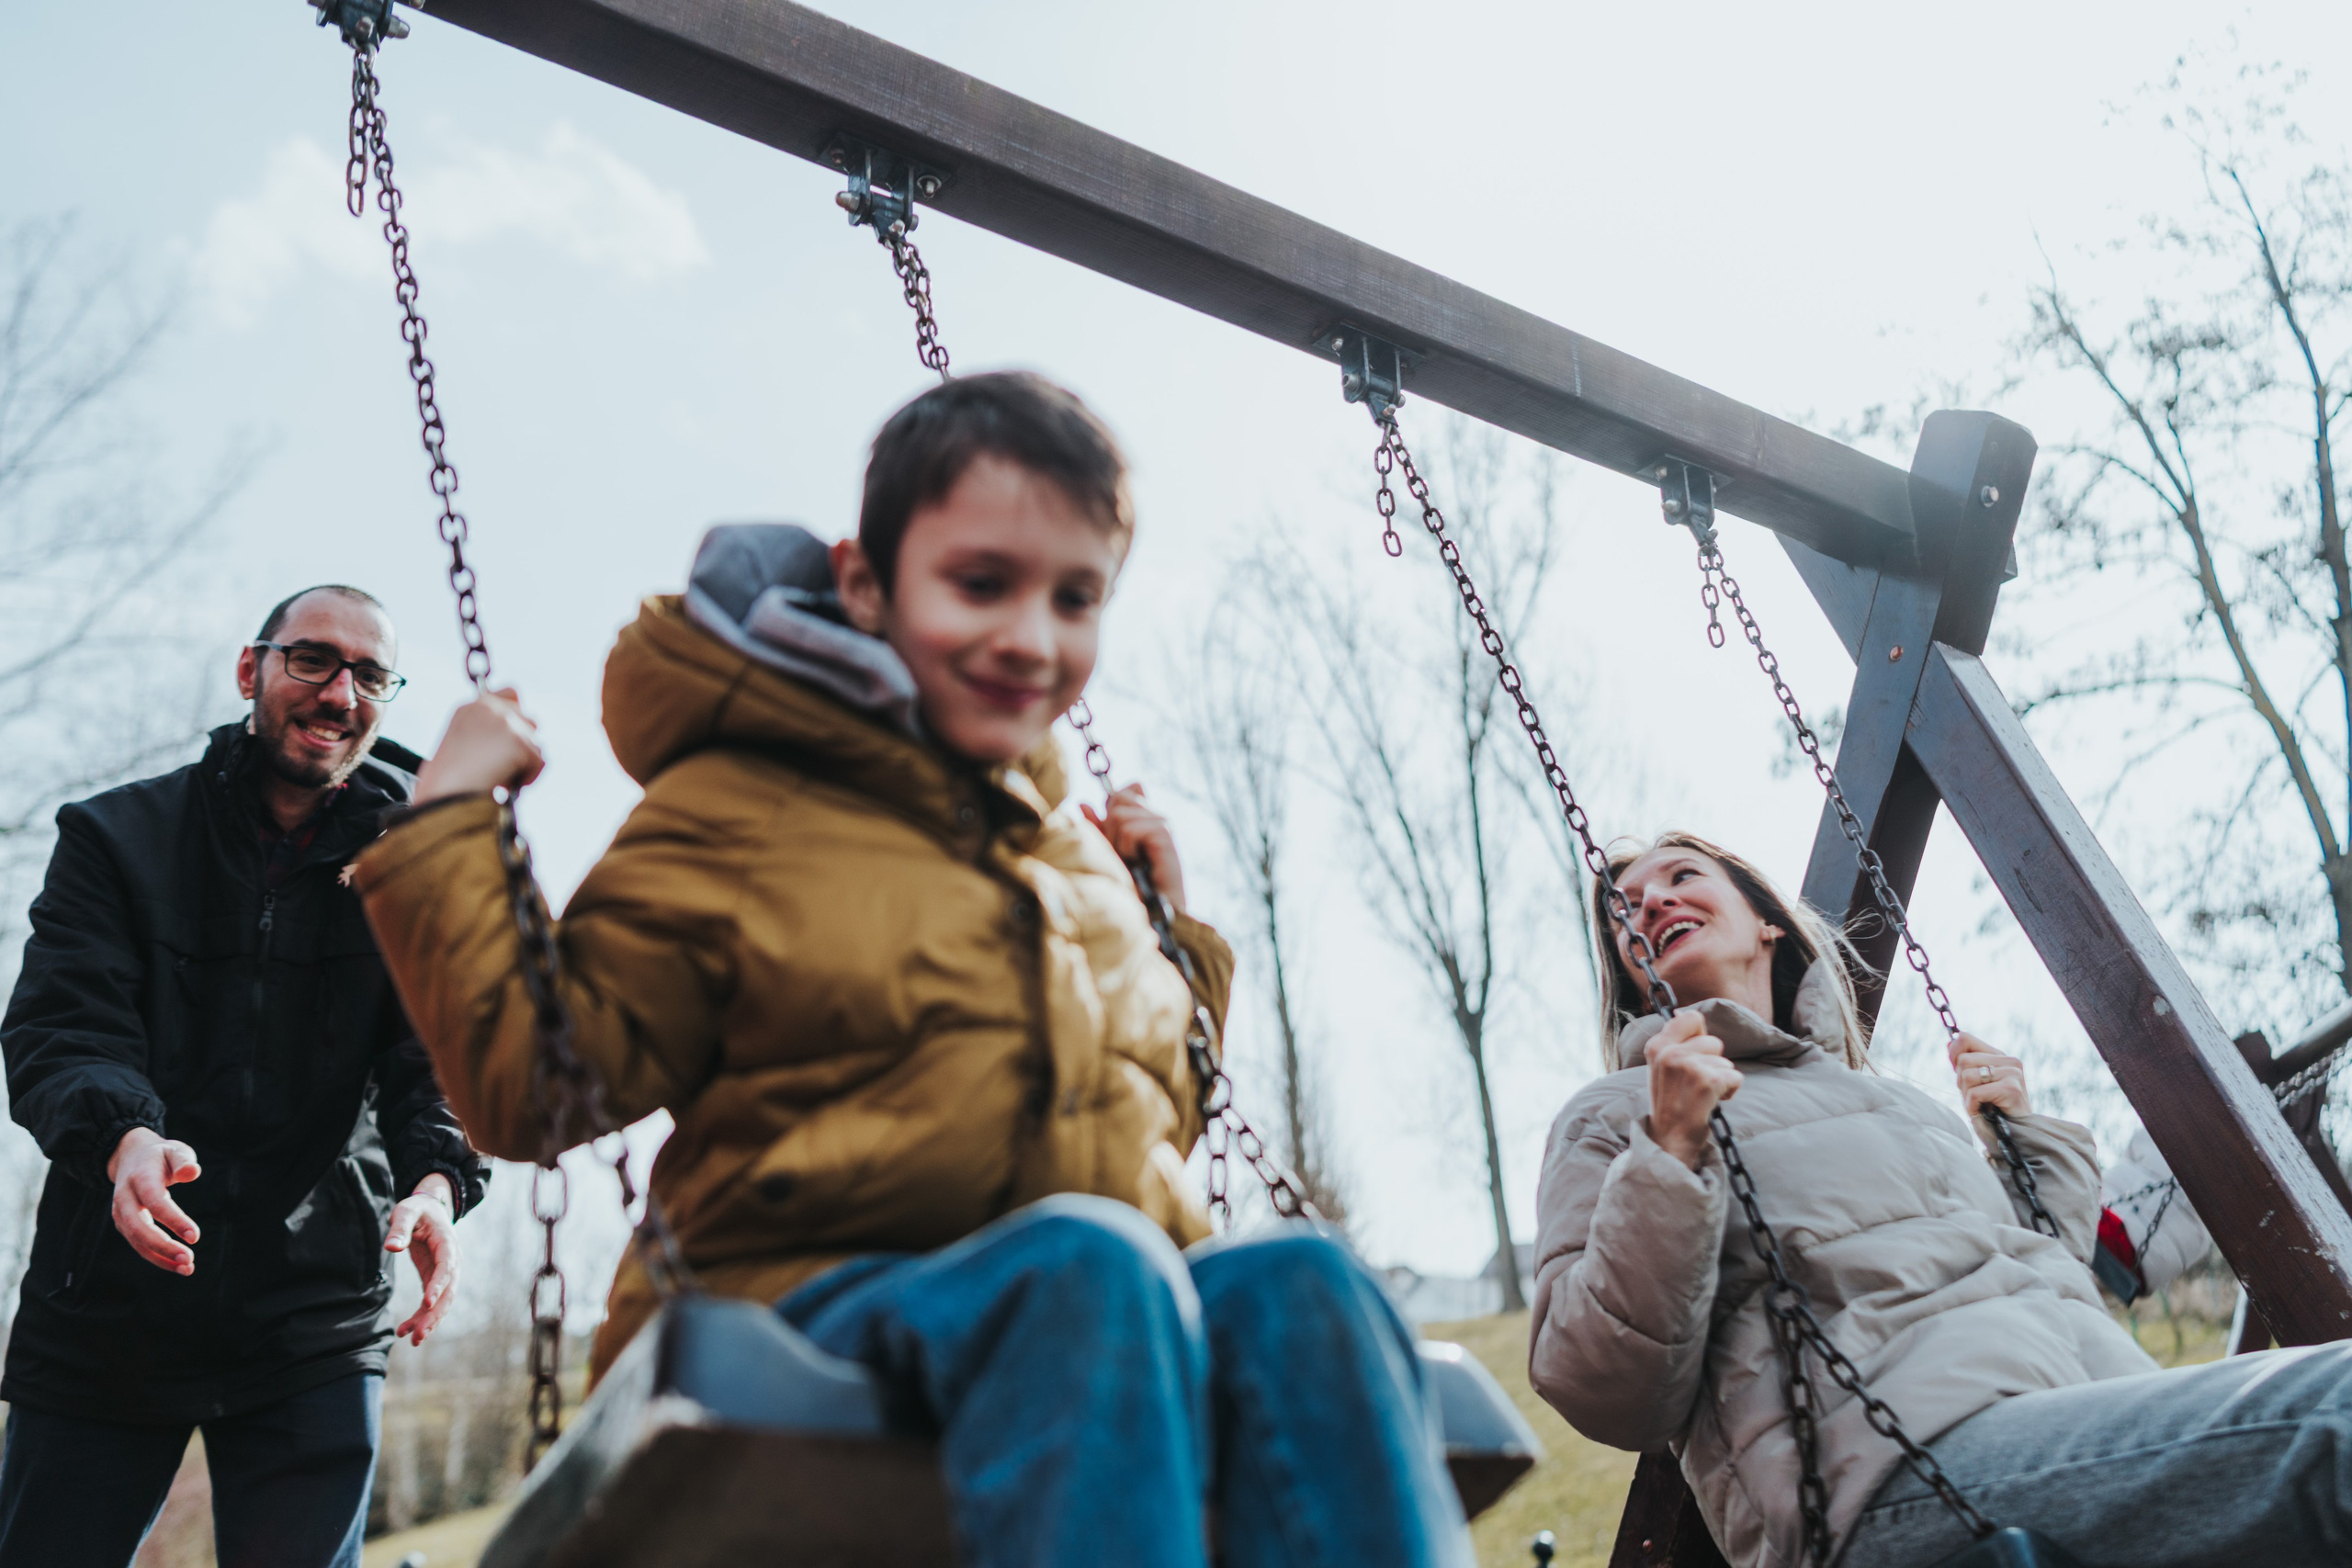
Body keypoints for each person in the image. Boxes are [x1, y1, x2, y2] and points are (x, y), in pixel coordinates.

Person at [351, 372, 1469, 1568]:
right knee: (1093, 1262)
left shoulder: (1068, 845)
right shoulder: (741, 801)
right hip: (803, 1309)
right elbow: (537, 1085)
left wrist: (1169, 928)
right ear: (867, 583)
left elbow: (1148, 1122)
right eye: (981, 583)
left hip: (1089, 1313)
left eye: (1076, 597)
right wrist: (454, 820)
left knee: (1304, 1278)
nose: (1031, 638)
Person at [1529, 830, 2352, 1568]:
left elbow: (2051, 1280)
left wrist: (2025, 1140)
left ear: (1767, 919)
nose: (1654, 900)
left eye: (1680, 874)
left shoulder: (1905, 1106)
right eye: (1627, 908)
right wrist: (1670, 1151)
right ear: (1631, 965)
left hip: (2079, 1420)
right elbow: (1603, 1382)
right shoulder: (1619, 1116)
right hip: (1902, 1476)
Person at [0, 586, 491, 1568]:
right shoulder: (115, 837)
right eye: (312, 660)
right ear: (250, 670)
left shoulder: (416, 862)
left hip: (311, 1319)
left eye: (371, 677)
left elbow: (435, 1060)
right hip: (109, 1302)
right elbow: (63, 1024)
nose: (340, 692)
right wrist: (123, 1136)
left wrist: (436, 1181)